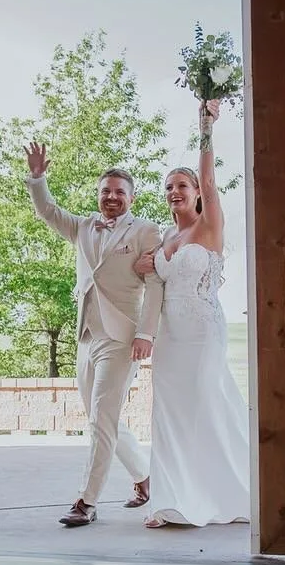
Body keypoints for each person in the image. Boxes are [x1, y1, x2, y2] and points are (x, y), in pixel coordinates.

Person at [23, 144, 164, 527]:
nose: (112, 197)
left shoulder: (147, 231)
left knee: (101, 418)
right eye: (106, 191)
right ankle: (145, 478)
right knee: (103, 419)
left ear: (131, 198)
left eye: (119, 191)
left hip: (122, 337)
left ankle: (87, 501)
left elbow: (154, 286)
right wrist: (38, 179)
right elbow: (49, 211)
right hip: (87, 335)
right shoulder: (84, 226)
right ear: (98, 195)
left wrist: (146, 334)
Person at [132, 101, 249, 528]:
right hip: (170, 338)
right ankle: (169, 499)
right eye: (168, 187)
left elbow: (213, 180)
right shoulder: (166, 236)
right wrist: (147, 263)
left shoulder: (209, 226)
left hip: (202, 333)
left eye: (183, 184)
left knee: (203, 406)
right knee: (168, 413)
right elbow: (154, 276)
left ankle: (219, 493)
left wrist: (206, 128)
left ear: (197, 191)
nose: (174, 191)